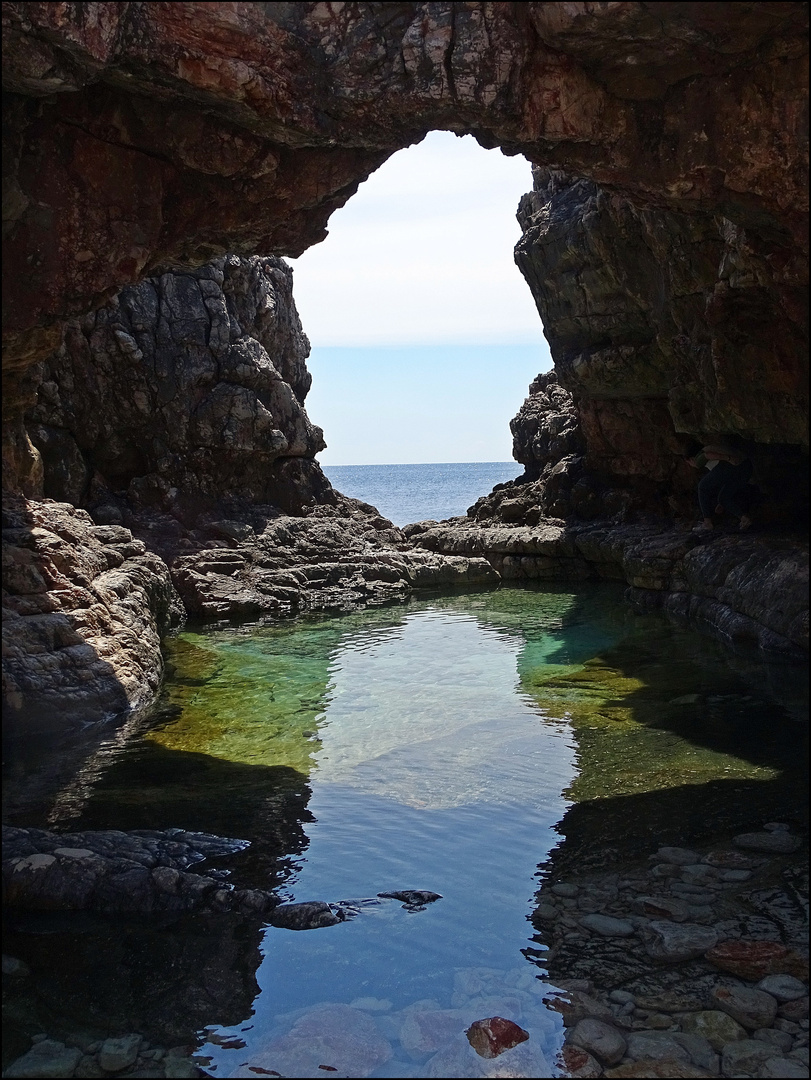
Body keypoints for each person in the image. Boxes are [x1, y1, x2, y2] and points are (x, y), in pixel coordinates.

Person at [686, 443, 753, 532]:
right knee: (723, 498)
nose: (690, 465)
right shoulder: (712, 462)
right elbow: (726, 480)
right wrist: (721, 503)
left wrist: (728, 458)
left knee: (702, 487)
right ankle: (744, 519)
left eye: (688, 463)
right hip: (746, 467)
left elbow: (707, 455)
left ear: (691, 459)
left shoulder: (699, 458)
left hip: (731, 465)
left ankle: (707, 523)